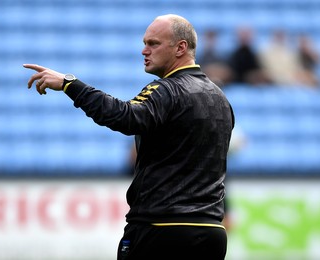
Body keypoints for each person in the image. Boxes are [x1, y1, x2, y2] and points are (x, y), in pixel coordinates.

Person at [24, 14, 234, 260]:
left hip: (162, 228)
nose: (144, 50)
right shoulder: (220, 98)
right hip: (212, 232)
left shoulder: (167, 89)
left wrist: (71, 84)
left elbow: (124, 116)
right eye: (145, 42)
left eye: (153, 43)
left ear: (181, 48)